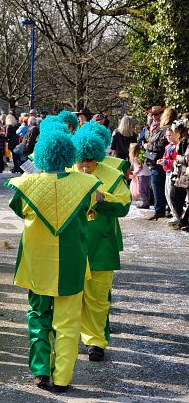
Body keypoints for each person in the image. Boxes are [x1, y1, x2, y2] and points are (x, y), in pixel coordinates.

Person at [5, 127, 102, 392]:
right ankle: (62, 378)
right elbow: (91, 207)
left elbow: (18, 209)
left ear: (41, 155)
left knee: (38, 317)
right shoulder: (86, 184)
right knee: (68, 323)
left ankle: (40, 371)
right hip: (72, 263)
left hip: (37, 264)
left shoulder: (27, 184)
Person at [72, 128, 131, 363]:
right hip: (72, 245)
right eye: (81, 159)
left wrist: (103, 197)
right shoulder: (67, 172)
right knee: (71, 295)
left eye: (90, 159)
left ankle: (95, 341)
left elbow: (125, 205)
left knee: (97, 297)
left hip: (102, 244)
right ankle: (70, 336)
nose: (85, 164)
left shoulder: (113, 175)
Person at [144, 106, 169, 220]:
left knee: (158, 186)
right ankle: (160, 209)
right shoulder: (151, 127)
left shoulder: (164, 128)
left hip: (159, 161)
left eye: (156, 114)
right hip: (152, 160)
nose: (153, 116)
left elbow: (160, 145)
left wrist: (148, 146)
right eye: (152, 114)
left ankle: (160, 210)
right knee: (156, 186)